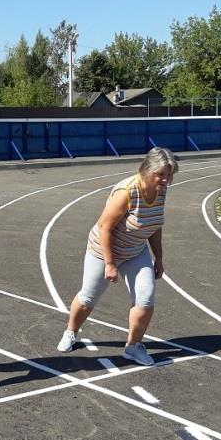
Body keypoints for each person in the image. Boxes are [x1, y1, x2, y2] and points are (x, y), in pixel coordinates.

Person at [56, 147, 179, 366]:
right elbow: (105, 228)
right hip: (103, 250)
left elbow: (154, 225)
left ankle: (133, 347)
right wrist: (110, 264)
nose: (165, 180)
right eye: (161, 175)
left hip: (135, 251)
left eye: (169, 175)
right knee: (88, 298)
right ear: (147, 169)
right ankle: (71, 331)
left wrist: (158, 258)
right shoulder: (127, 191)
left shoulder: (161, 190)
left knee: (145, 298)